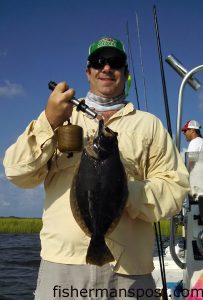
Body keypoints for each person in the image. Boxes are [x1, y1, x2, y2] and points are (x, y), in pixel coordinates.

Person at [3, 36, 189, 300]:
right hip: (62, 267)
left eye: (115, 62)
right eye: (98, 62)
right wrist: (49, 121)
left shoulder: (150, 125)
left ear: (125, 73)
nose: (106, 68)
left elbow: (175, 189)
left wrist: (122, 193)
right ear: (88, 71)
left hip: (129, 274)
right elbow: (17, 172)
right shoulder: (62, 117)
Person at [182, 120, 203, 196]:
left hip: (198, 187)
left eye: (185, 130)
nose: (184, 133)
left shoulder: (194, 142)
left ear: (193, 131)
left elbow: (190, 160)